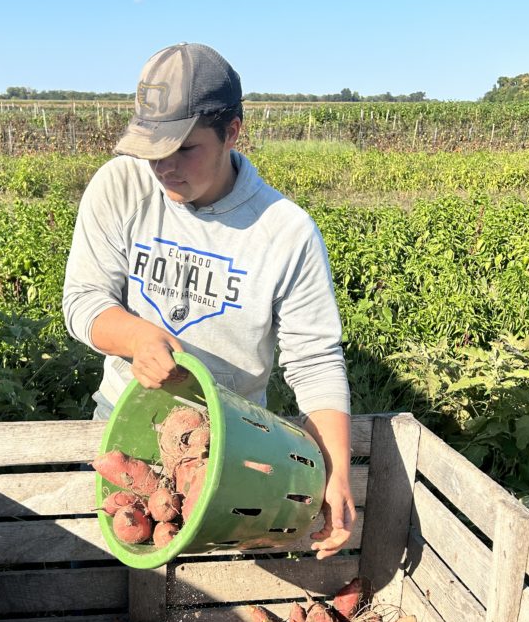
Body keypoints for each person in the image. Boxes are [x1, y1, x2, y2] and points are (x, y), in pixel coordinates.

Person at [63, 42, 355, 558]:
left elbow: (315, 362)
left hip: (238, 446)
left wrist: (336, 472)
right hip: (127, 424)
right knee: (117, 569)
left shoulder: (285, 232)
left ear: (232, 132)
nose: (164, 167)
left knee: (218, 593)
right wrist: (136, 338)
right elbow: (84, 301)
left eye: (185, 148)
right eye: (153, 149)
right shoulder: (121, 186)